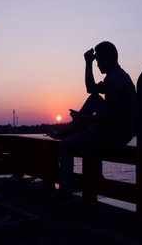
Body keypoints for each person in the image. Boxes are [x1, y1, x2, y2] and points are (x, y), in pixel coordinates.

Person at [55, 41, 137, 200]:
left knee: (64, 146)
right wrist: (88, 63)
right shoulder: (116, 76)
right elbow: (91, 88)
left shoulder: (115, 80)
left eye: (98, 59)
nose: (97, 64)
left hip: (115, 134)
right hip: (118, 127)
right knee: (93, 98)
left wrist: (82, 118)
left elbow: (108, 116)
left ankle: (65, 193)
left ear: (108, 57)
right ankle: (73, 129)